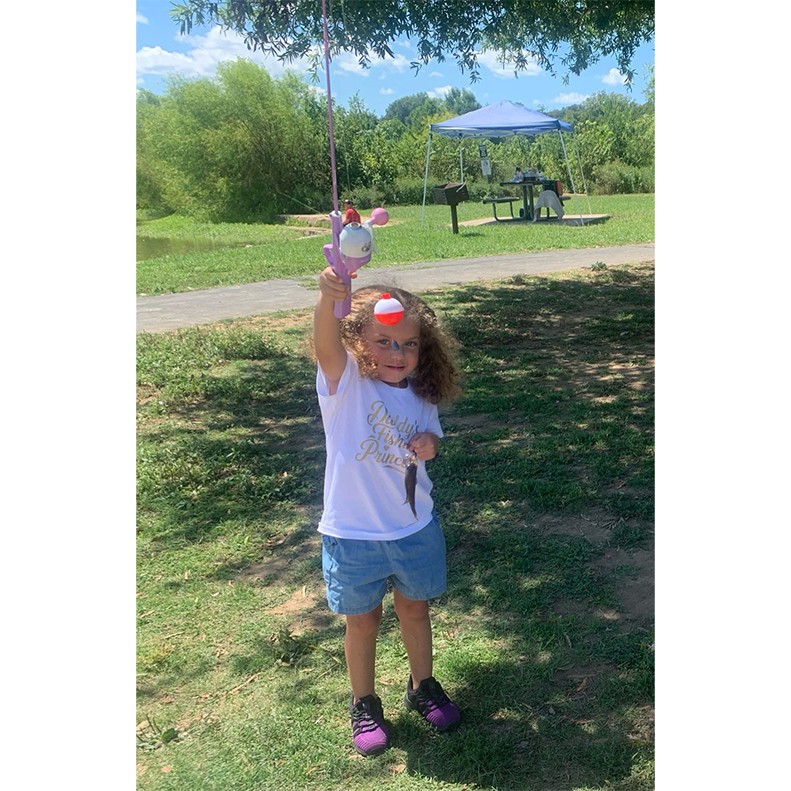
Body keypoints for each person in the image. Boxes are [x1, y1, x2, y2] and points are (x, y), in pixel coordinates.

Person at [313, 269, 462, 756]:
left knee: (416, 610)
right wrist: (328, 300)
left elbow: (433, 434)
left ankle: (423, 687)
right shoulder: (345, 384)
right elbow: (325, 346)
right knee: (363, 621)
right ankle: (364, 702)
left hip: (414, 527)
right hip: (352, 534)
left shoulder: (421, 393)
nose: (399, 355)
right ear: (357, 341)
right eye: (385, 342)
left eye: (410, 344)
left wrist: (430, 443)